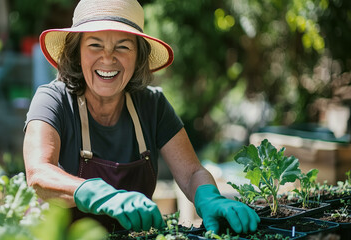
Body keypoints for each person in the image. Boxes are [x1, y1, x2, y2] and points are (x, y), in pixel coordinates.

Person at [23, 0, 260, 234]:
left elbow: (192, 172)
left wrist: (209, 197)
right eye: (95, 45)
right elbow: (38, 174)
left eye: (123, 47)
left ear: (138, 56)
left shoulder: (152, 105)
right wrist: (95, 193)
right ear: (77, 54)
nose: (108, 58)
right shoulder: (53, 100)